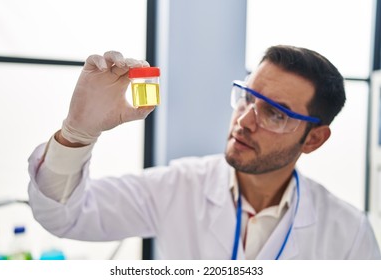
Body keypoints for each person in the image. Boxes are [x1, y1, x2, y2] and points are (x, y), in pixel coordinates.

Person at [28, 45, 381, 259]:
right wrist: (77, 132)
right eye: (247, 97)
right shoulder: (177, 187)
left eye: (274, 113)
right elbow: (65, 217)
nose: (244, 120)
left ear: (314, 139)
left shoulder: (349, 235)